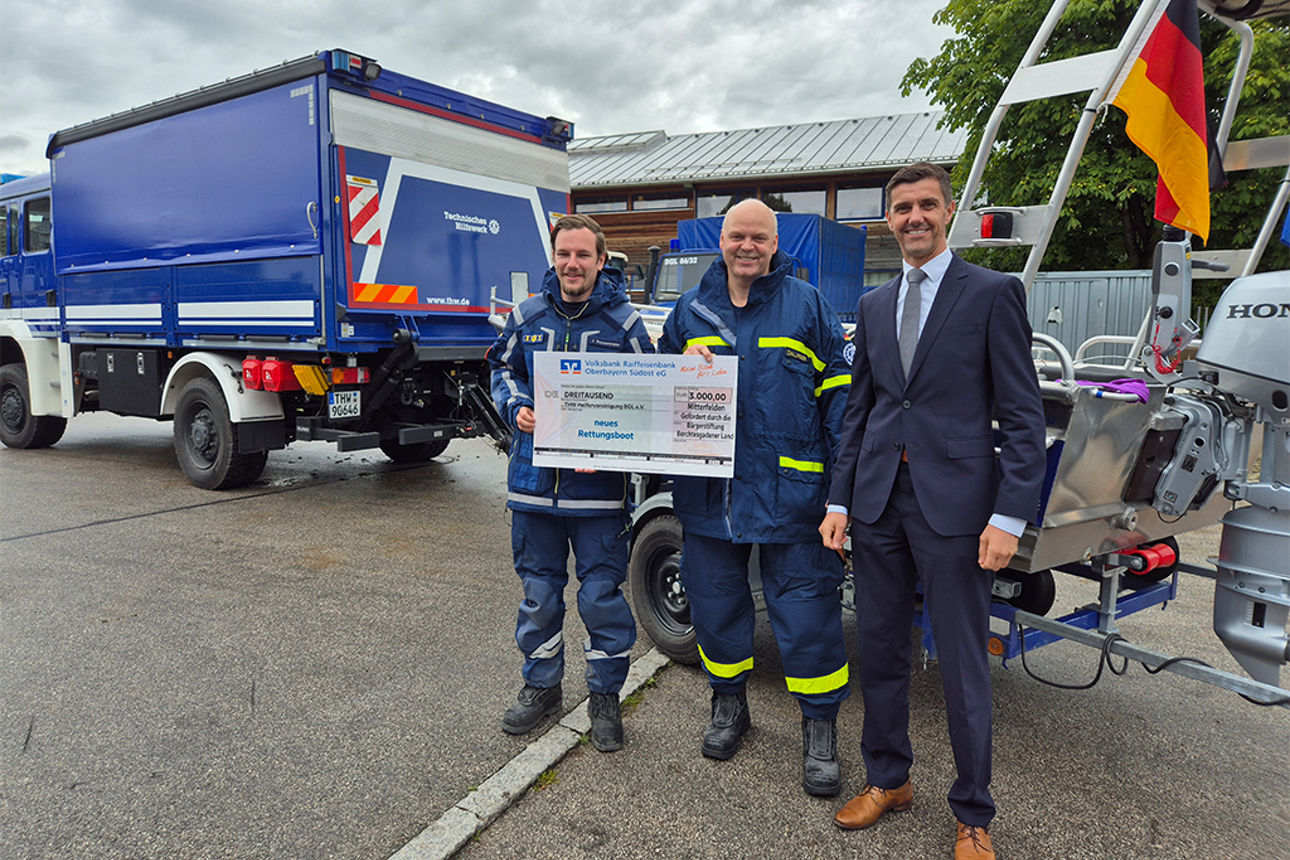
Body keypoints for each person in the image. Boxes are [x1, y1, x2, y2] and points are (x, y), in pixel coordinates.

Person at [820, 163, 1046, 860]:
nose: (913, 217)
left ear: (949, 212)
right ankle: (889, 779)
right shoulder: (872, 303)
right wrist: (839, 499)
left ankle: (973, 814)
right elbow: (862, 410)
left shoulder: (992, 293)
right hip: (880, 503)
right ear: (887, 220)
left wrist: (1009, 517)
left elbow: (1022, 413)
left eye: (925, 205)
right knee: (881, 652)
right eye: (900, 208)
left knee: (960, 667)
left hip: (958, 511)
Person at [658, 198, 852, 796]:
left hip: (794, 499)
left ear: (774, 243)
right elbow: (653, 397)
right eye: (737, 235)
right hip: (709, 497)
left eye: (758, 237)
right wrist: (675, 366)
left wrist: (841, 499)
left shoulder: (809, 306)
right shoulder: (689, 310)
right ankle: (728, 706)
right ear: (721, 241)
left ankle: (819, 730)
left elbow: (841, 408)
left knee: (807, 616)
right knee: (715, 608)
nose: (747, 246)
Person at [488, 213, 653, 752]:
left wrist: (613, 445)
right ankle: (542, 687)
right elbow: (502, 370)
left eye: (584, 255)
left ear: (601, 261)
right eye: (565, 254)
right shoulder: (526, 316)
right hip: (533, 485)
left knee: (602, 596)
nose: (572, 264)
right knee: (539, 594)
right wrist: (517, 406)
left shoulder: (625, 325)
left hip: (598, 493)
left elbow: (649, 395)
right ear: (553, 256)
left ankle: (605, 698)